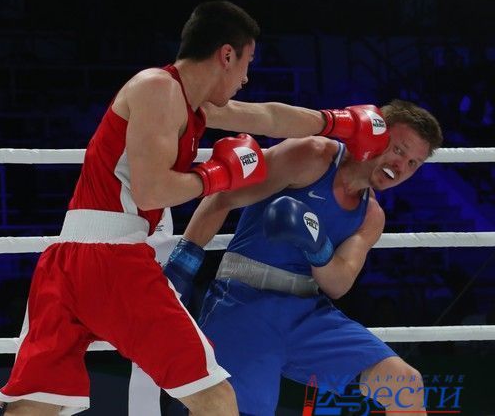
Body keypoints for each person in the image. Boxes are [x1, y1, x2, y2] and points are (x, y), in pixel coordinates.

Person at [0, 0, 390, 416]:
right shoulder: (157, 88)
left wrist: (335, 122)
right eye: (246, 64)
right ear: (227, 55)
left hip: (66, 263)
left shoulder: (187, 102)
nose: (246, 78)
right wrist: (219, 174)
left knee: (36, 405)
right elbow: (151, 192)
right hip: (113, 261)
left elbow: (269, 118)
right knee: (215, 398)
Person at [130, 99, 442, 416]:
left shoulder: (371, 216)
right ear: (375, 134)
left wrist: (317, 246)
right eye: (398, 150)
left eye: (413, 163)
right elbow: (224, 198)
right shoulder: (312, 156)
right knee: (225, 408)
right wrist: (182, 268)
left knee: (405, 384)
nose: (401, 167)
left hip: (308, 314)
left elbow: (339, 283)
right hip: (244, 303)